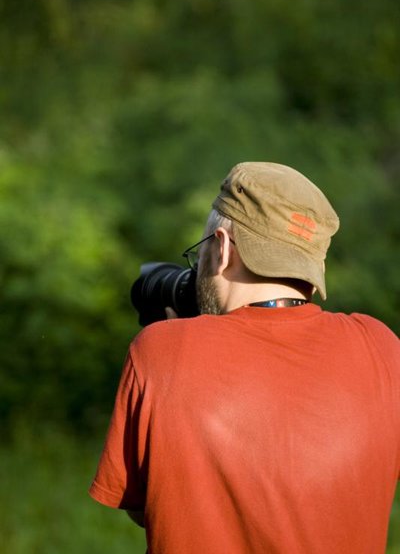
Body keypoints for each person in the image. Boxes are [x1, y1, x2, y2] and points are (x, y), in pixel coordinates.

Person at [89, 162, 400, 554]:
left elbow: (146, 506)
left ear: (221, 248)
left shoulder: (159, 351)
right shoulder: (382, 348)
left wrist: (176, 343)